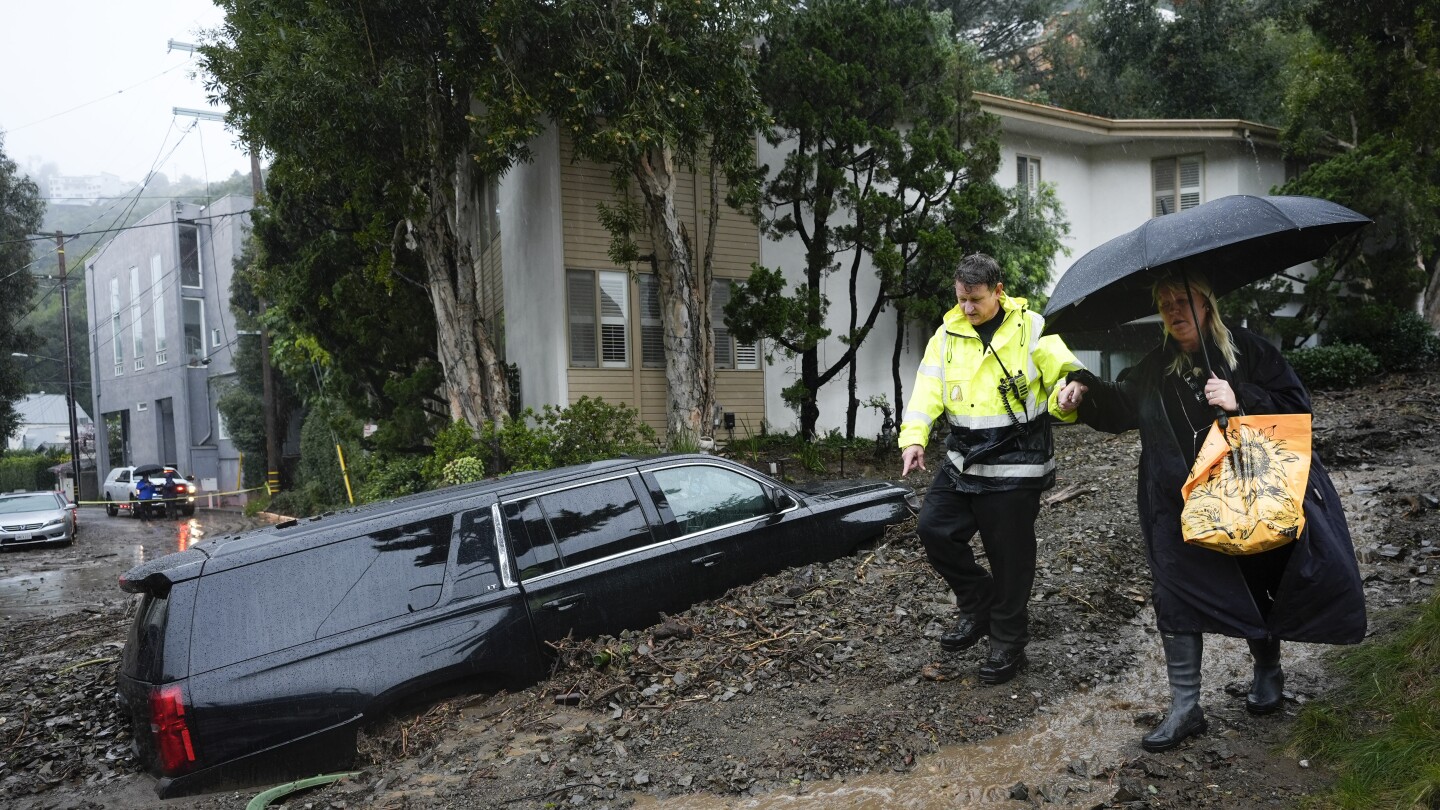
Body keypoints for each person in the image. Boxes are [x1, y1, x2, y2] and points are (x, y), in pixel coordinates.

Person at [1058, 271, 1365, 752]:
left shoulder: (1249, 351)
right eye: (1164, 305)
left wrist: (1241, 399)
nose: (1173, 312)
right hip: (1177, 500)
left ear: (1206, 303)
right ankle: (1185, 707)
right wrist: (1083, 388)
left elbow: (1297, 407)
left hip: (1246, 494)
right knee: (1174, 593)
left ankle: (1267, 669)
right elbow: (1121, 408)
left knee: (1256, 578)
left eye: (1182, 301)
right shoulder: (1156, 365)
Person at [899, 253, 1085, 685]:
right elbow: (926, 389)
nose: (967, 308)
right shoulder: (945, 336)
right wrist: (914, 437)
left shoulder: (1032, 327)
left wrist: (1070, 392)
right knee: (933, 529)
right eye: (961, 299)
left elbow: (1065, 371)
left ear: (998, 292)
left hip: (1017, 462)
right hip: (964, 459)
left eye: (976, 300)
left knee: (1010, 557)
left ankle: (1008, 643)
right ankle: (978, 601)